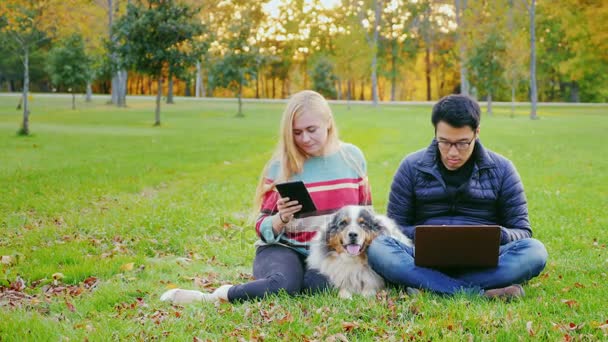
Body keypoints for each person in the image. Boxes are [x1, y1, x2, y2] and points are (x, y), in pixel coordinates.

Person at [160, 90, 371, 304]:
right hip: (282, 248)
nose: (304, 139)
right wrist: (281, 218)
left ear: (328, 122)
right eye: (297, 132)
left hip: (327, 255)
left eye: (311, 130)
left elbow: (366, 217)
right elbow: (262, 226)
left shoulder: (352, 158)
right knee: (283, 286)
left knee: (319, 285)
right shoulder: (283, 166)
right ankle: (215, 296)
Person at [367, 94, 548, 300]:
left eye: (462, 143)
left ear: (477, 133)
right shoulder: (411, 166)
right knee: (379, 248)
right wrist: (428, 236)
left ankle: (427, 284)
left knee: (535, 251)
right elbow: (394, 228)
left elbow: (523, 230)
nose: (452, 152)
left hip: (485, 259)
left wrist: (496, 235)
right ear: (435, 132)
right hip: (422, 256)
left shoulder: (503, 169)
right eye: (444, 142)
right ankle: (478, 292)